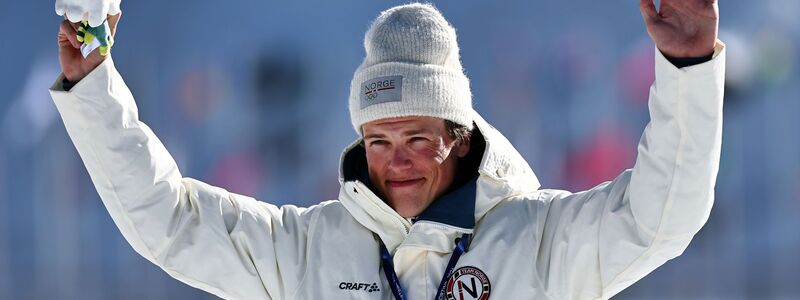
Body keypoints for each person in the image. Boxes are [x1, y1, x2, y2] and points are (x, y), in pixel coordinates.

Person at [50, 1, 725, 299]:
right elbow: (169, 223)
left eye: (417, 140)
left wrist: (689, 69)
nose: (396, 160)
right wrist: (90, 84)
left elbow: (660, 219)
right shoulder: (310, 252)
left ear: (457, 138)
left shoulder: (541, 244)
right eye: (379, 140)